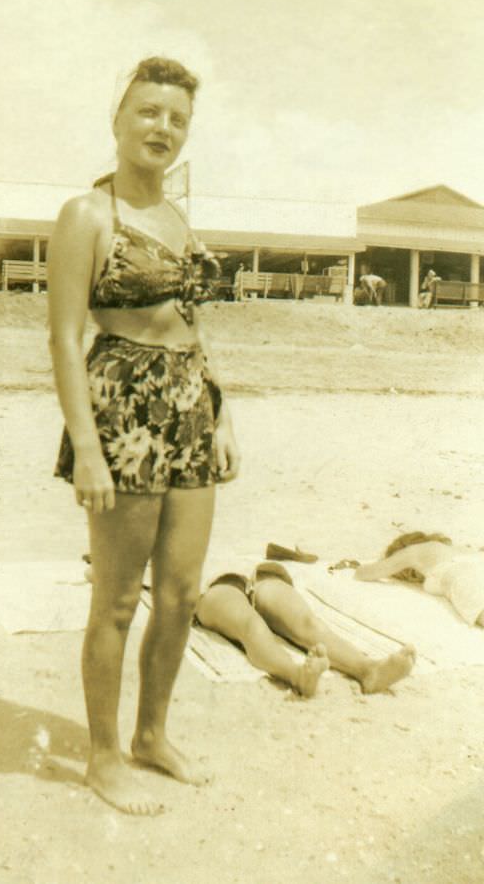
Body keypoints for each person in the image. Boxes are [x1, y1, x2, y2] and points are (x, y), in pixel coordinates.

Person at [47, 56, 239, 815]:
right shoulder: (87, 215)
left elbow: (194, 324)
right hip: (121, 409)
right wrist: (87, 446)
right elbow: (64, 339)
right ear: (118, 119)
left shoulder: (179, 218)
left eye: (177, 119)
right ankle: (101, 757)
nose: (162, 127)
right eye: (149, 112)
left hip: (190, 406)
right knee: (119, 599)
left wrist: (221, 411)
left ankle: (151, 735)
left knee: (184, 592)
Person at [195, 561, 416, 696]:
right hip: (216, 584)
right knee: (252, 626)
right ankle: (296, 675)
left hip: (266, 574)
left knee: (307, 623)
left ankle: (368, 670)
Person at [355, 532, 484, 627]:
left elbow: (364, 573)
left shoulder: (412, 551)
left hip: (461, 576)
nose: (410, 577)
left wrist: (359, 564)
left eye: (406, 571)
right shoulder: (455, 549)